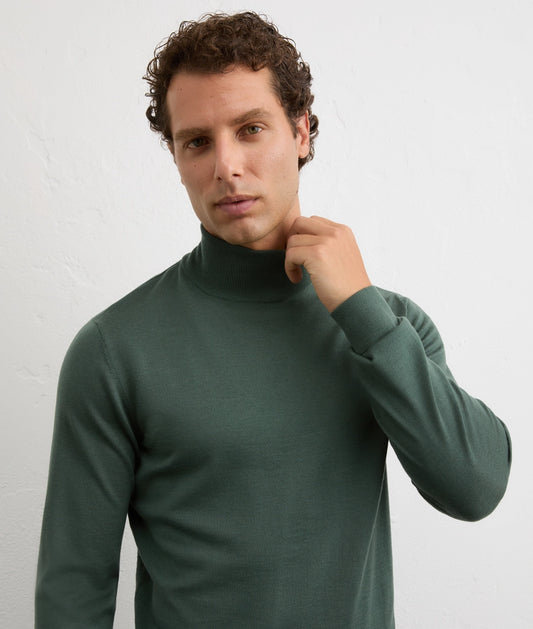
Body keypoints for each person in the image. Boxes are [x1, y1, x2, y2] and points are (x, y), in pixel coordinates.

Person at [35, 11, 512, 629]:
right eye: (197, 141)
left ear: (302, 131)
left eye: (251, 129)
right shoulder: (114, 351)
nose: (226, 166)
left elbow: (475, 488)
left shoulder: (387, 326)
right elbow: (73, 590)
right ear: (175, 156)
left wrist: (360, 310)